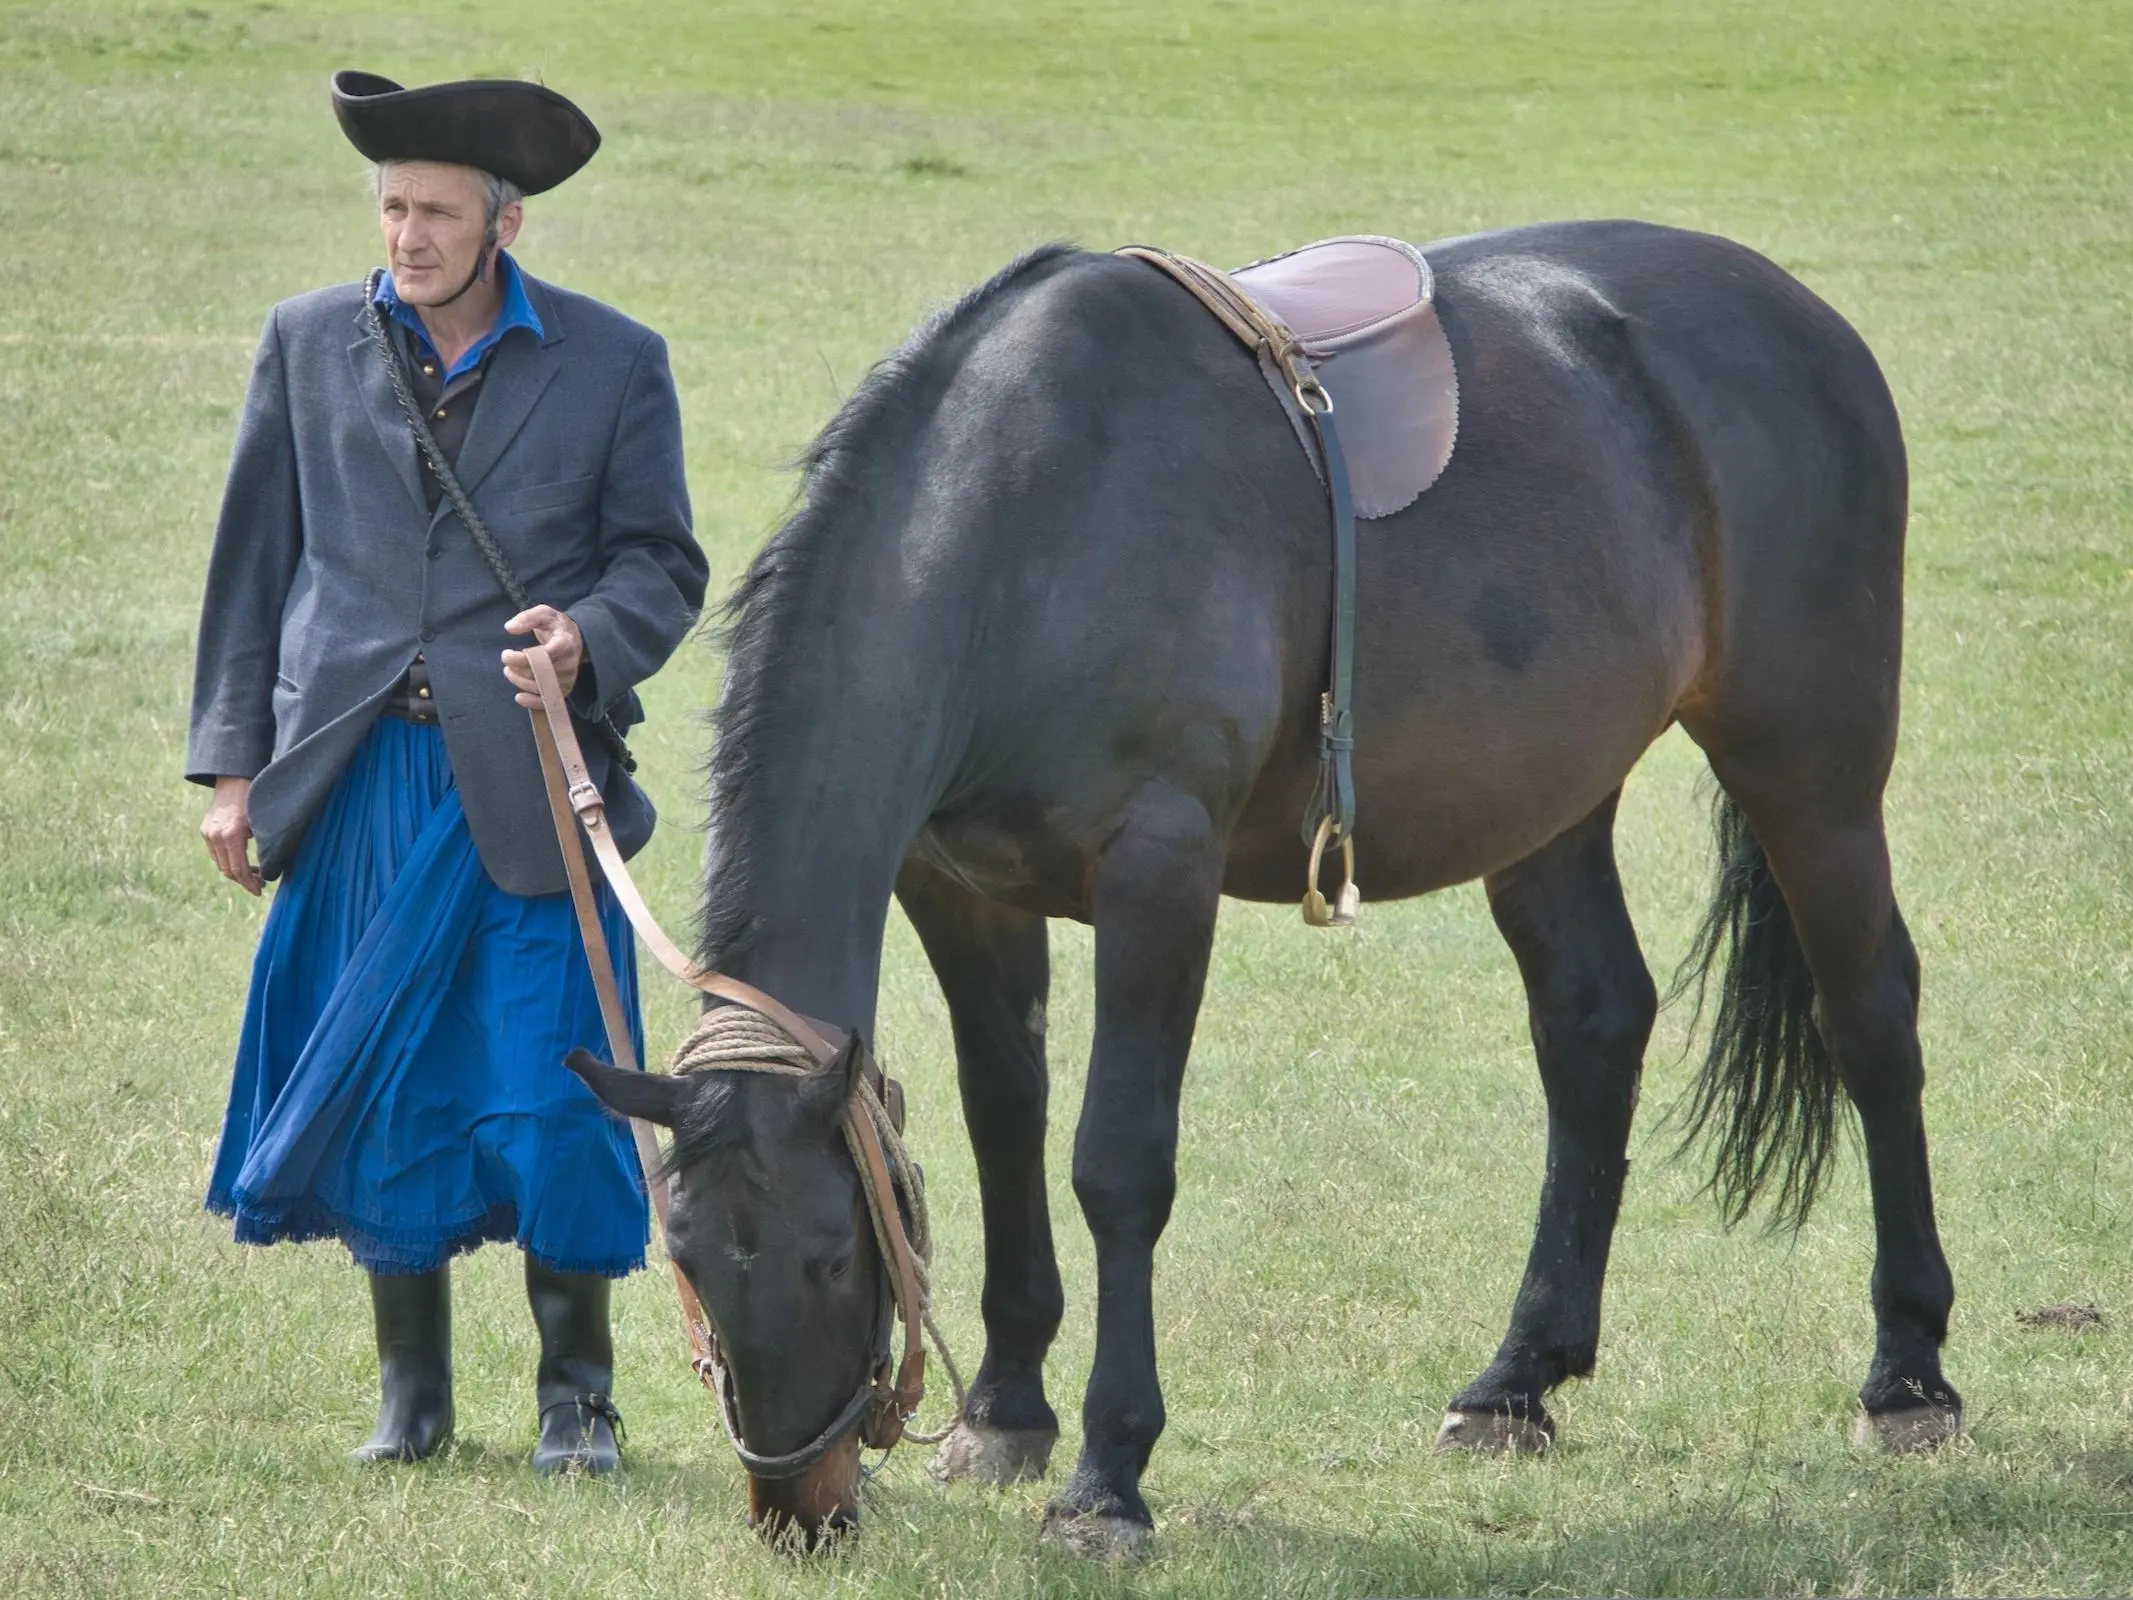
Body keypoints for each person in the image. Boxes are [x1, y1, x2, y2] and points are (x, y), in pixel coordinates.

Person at [186, 70, 707, 1474]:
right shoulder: (306, 343)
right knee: (385, 1085)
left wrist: (586, 636)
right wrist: (232, 776)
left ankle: (576, 1398)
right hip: (358, 775)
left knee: (559, 1094)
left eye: (437, 212)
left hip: (533, 778)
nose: (407, 236)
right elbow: (252, 573)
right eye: (392, 206)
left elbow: (663, 563)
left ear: (506, 222)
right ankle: (411, 1396)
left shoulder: (614, 362)